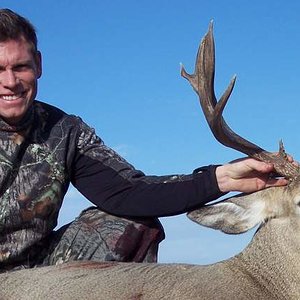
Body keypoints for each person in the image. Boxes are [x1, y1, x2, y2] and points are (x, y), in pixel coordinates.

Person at [0, 8, 290, 272]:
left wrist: (222, 179)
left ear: (38, 64)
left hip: (35, 273)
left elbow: (129, 192)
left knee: (131, 223)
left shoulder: (64, 131)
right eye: (0, 69)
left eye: (20, 67)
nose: (11, 82)